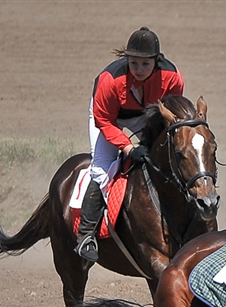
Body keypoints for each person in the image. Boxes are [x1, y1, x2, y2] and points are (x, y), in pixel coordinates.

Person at [75, 27, 185, 262]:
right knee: (102, 168)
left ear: (157, 61)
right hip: (109, 118)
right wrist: (128, 147)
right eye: (134, 63)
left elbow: (168, 113)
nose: (139, 69)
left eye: (146, 64)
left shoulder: (172, 77)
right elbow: (103, 120)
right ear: (126, 60)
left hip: (146, 114)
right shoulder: (110, 80)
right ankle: (86, 235)